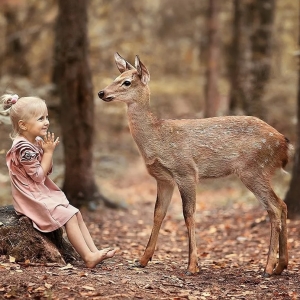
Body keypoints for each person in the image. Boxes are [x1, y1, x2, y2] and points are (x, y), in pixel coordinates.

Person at [2, 93, 116, 268]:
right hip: (31, 197)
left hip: (38, 191)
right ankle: (88, 257)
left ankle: (94, 251)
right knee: (69, 216)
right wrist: (48, 153)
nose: (46, 122)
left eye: (46, 117)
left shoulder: (34, 141)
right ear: (23, 125)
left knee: (75, 212)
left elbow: (45, 171)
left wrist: (46, 151)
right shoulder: (23, 148)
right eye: (40, 118)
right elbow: (39, 176)